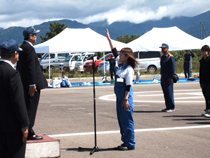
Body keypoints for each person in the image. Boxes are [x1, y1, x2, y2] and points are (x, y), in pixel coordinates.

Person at [106, 29, 138, 150]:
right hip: (119, 98)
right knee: (121, 121)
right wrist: (109, 39)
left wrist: (125, 100)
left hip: (125, 98)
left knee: (127, 121)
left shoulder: (128, 69)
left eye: (121, 55)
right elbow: (114, 52)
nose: (119, 56)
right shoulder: (121, 66)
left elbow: (128, 85)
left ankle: (130, 143)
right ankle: (125, 141)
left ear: (126, 57)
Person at [0, 39, 30, 158]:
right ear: (14, 54)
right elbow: (18, 102)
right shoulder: (12, 73)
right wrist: (24, 125)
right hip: (13, 126)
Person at [18, 26, 48, 140]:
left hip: (26, 82)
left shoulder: (23, 47)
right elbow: (30, 68)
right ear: (30, 36)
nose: (36, 37)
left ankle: (27, 129)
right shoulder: (29, 48)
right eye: (34, 35)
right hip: (32, 84)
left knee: (28, 106)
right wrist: (32, 84)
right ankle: (29, 131)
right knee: (31, 107)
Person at [160, 43, 176, 112]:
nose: (162, 49)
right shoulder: (163, 57)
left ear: (167, 48)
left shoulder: (170, 57)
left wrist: (171, 77)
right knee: (165, 92)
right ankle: (167, 106)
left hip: (168, 77)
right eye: (162, 48)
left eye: (164, 48)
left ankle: (171, 107)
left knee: (169, 92)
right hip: (163, 76)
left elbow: (172, 68)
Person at [199, 45, 210, 117]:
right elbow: (201, 71)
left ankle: (209, 110)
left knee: (209, 96)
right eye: (202, 51)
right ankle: (207, 109)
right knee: (206, 96)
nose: (203, 52)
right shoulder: (202, 60)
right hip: (203, 81)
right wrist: (200, 81)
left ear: (208, 52)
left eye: (205, 51)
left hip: (209, 81)